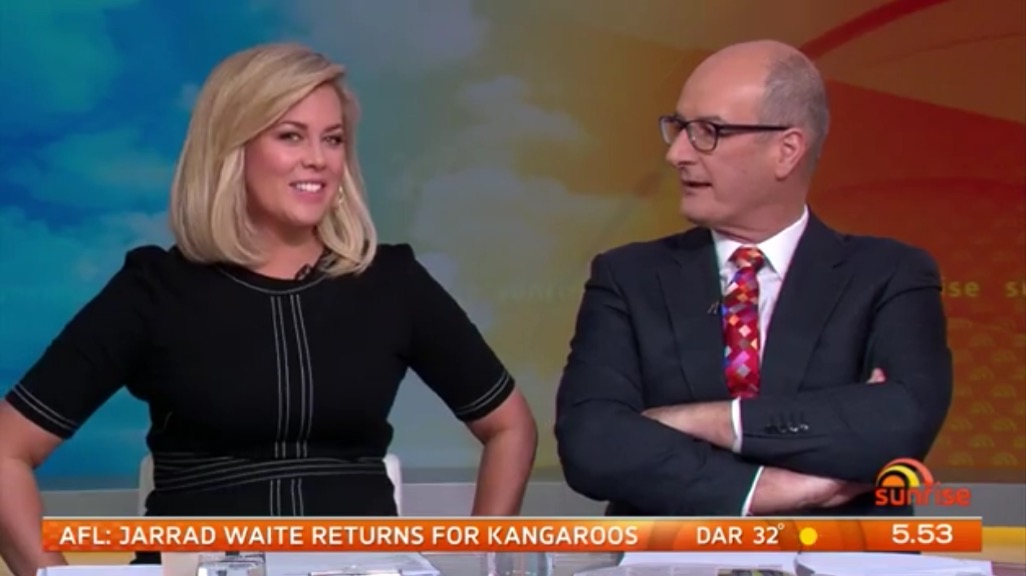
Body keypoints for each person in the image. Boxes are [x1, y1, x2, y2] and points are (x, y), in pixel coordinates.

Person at [0, 42, 538, 574]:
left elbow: (510, 426)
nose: (318, 159)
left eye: (333, 139)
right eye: (290, 135)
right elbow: (6, 451)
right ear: (231, 148)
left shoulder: (392, 282)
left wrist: (485, 560)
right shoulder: (154, 290)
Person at [555, 39, 952, 517]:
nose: (677, 153)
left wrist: (703, 420)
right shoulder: (628, 277)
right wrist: (772, 488)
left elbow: (899, 425)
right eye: (679, 128)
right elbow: (592, 442)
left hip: (843, 552)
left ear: (787, 151)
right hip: (673, 553)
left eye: (708, 131)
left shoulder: (889, 274)